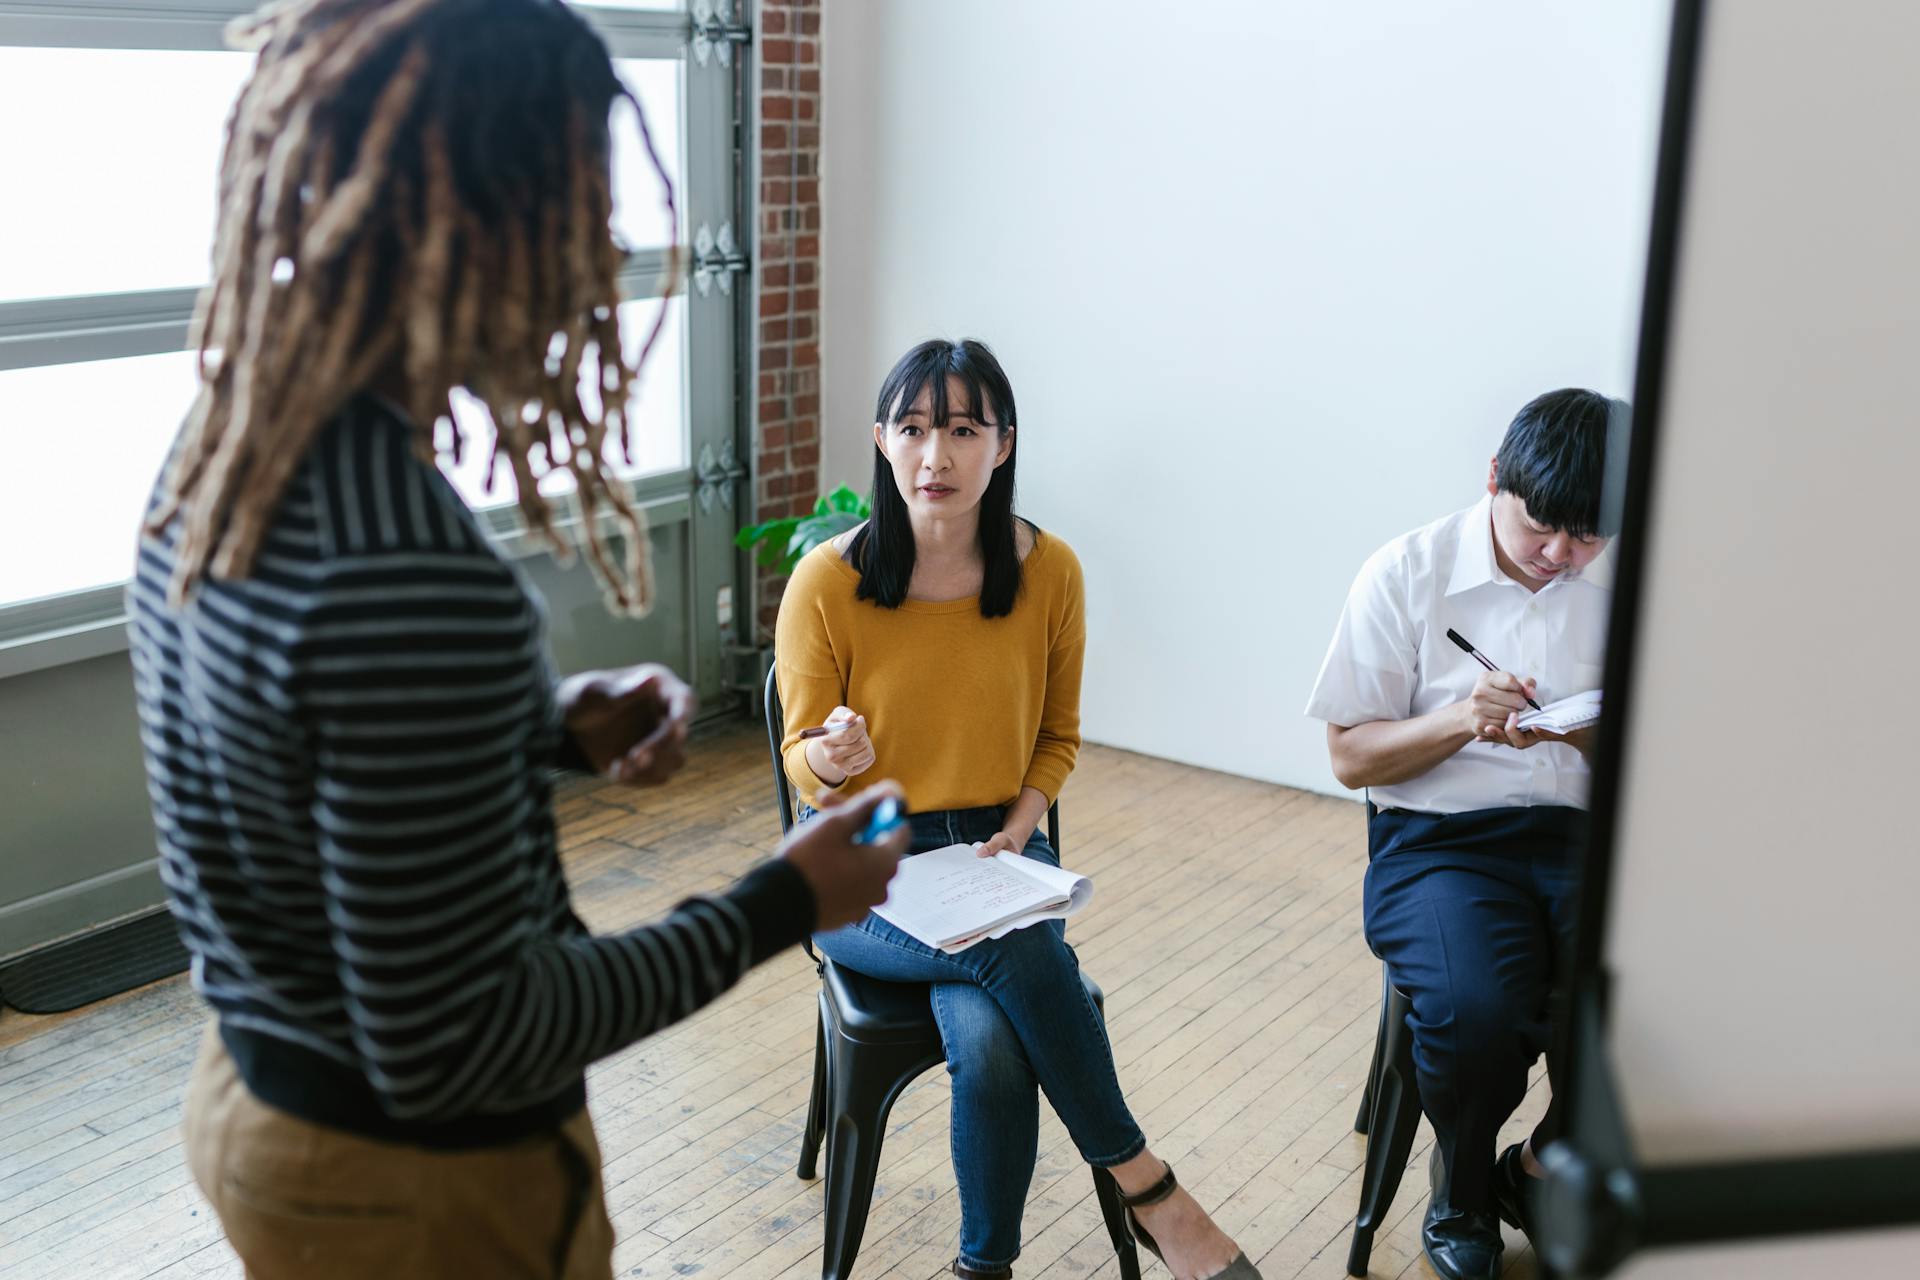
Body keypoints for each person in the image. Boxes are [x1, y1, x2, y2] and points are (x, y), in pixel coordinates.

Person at [126, 3, 902, 1276]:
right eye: (579, 196)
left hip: (259, 1105)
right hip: (420, 1194)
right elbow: (462, 1045)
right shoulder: (408, 573)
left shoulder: (225, 450)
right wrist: (782, 899)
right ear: (479, 216)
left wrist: (524, 726)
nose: (600, 252)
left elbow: (289, 738)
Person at [775, 339, 1261, 1280]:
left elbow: (1059, 735)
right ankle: (1153, 1192)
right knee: (1023, 951)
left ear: (1002, 445)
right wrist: (830, 759)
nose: (936, 456)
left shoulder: (1050, 573)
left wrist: (1024, 816)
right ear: (881, 441)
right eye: (914, 430)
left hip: (988, 849)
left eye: (963, 430)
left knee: (994, 1042)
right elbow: (805, 765)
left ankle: (981, 1269)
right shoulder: (828, 583)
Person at [1304, 389, 1621, 1279]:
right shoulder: (1405, 573)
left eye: (1588, 537)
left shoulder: (1627, 590)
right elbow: (1349, 758)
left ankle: (1530, 1167)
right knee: (1474, 1010)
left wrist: (1591, 731)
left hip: (1584, 838)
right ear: (1494, 480)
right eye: (1542, 527)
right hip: (1440, 844)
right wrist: (1460, 722)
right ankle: (1462, 1194)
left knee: (1661, 1003)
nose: (1561, 555)